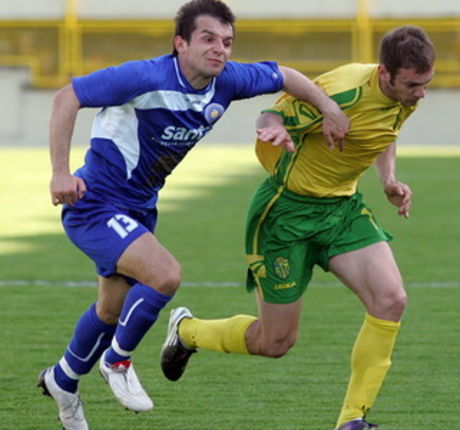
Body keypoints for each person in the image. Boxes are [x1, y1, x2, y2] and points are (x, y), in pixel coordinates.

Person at [38, 1, 350, 429]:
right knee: (165, 275)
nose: (219, 49)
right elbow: (66, 97)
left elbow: (286, 75)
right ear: (180, 43)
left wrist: (330, 108)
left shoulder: (227, 80)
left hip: (140, 206)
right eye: (208, 39)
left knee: (111, 312)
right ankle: (118, 362)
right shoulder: (146, 76)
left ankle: (63, 380)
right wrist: (59, 172)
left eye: (227, 42)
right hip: (95, 204)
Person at [159, 25, 435, 430]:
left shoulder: (405, 94)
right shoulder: (343, 91)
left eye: (427, 83)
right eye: (413, 84)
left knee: (391, 300)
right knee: (275, 343)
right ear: (384, 73)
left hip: (341, 210)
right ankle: (188, 331)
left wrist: (388, 180)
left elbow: (382, 131)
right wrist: (275, 128)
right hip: (285, 215)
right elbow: (272, 111)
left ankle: (351, 420)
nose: (422, 93)